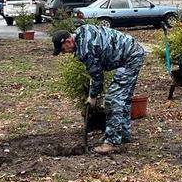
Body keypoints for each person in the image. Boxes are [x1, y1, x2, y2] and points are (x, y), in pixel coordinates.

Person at [52, 25, 145, 154]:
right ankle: (122, 135)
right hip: (133, 52)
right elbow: (96, 69)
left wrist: (92, 97)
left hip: (130, 58)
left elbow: (97, 77)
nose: (64, 52)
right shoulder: (82, 32)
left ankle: (112, 142)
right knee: (124, 98)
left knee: (113, 99)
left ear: (68, 41)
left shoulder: (85, 49)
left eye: (62, 49)